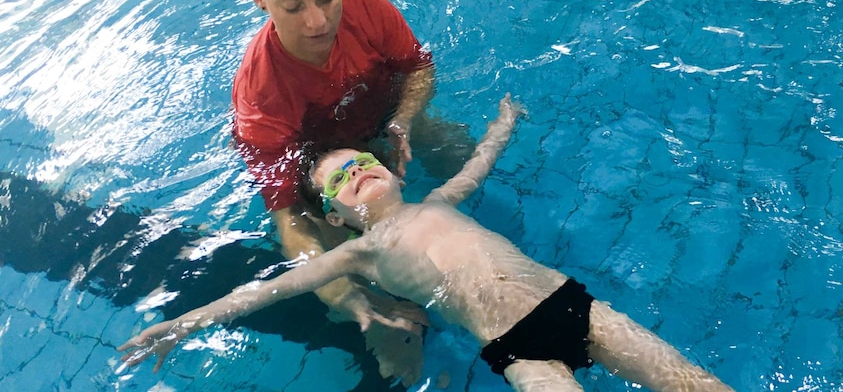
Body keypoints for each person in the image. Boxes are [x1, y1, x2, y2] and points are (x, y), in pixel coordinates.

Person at [120, 95, 734, 391]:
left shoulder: (438, 200)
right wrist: (187, 323)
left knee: (689, 380)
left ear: (390, 167)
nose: (355, 171)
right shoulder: (355, 253)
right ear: (336, 218)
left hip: (571, 303)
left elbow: (480, 164)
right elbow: (267, 290)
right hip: (518, 350)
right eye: (338, 179)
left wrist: (504, 123)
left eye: (360, 161)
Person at [232, 0, 466, 384]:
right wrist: (344, 294)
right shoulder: (260, 94)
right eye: (293, 6)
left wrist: (403, 120)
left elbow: (418, 70)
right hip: (319, 166)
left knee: (459, 154)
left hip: (382, 117)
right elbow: (289, 219)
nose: (318, 21)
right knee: (365, 282)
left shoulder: (366, 4)